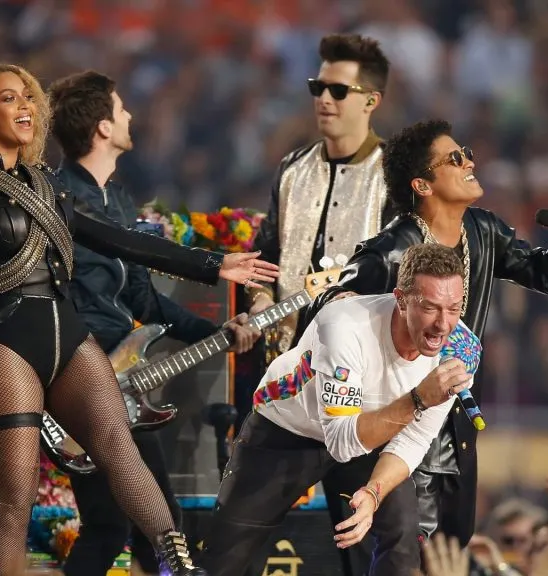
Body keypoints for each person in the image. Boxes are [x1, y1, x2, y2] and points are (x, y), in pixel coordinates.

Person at [0, 62, 277, 576]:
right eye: (8, 98)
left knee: (119, 447)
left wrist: (214, 264)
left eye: (29, 98)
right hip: (4, 345)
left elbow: (117, 240)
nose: (25, 107)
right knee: (15, 492)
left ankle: (177, 559)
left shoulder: (46, 184)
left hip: (70, 337)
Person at [306, 118, 548, 556]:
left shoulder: (483, 231)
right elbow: (326, 306)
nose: (469, 162)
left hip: (456, 428)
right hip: (396, 429)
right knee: (404, 557)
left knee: (449, 554)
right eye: (455, 158)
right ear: (423, 184)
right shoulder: (390, 251)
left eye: (467, 154)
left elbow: (541, 275)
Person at [47, 70, 262, 576]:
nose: (130, 117)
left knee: (114, 525)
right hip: (85, 370)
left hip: (121, 378)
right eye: (121, 110)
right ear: (102, 127)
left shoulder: (119, 202)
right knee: (158, 524)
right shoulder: (56, 197)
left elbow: (146, 300)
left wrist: (218, 335)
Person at [200, 243, 475, 576]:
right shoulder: (345, 326)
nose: (443, 325)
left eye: (454, 308)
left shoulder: (462, 347)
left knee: (402, 538)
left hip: (371, 434)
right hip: (286, 427)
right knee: (223, 557)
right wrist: (419, 398)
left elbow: (413, 441)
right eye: (430, 308)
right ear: (401, 299)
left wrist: (373, 493)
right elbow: (342, 442)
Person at [242, 32, 395, 575]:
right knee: (240, 531)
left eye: (337, 89)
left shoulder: (395, 175)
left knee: (360, 543)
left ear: (370, 100)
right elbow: (266, 257)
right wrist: (257, 304)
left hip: (361, 392)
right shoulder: (292, 169)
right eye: (317, 86)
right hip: (287, 379)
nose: (323, 99)